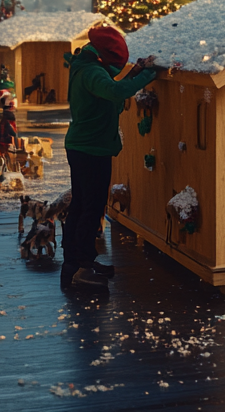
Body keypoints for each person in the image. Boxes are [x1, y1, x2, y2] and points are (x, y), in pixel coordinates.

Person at [61, 25, 156, 290]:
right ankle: (82, 267)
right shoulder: (91, 72)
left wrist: (135, 71)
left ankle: (74, 263)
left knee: (81, 206)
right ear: (102, 55)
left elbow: (112, 79)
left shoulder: (86, 64)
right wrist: (148, 75)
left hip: (83, 147)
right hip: (91, 149)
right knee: (91, 209)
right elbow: (114, 91)